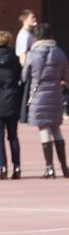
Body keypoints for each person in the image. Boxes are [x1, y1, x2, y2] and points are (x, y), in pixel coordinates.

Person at [21, 22, 69, 179]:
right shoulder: (59, 53)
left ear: (37, 36)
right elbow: (66, 76)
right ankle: (64, 167)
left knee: (44, 129)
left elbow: (24, 76)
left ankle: (49, 167)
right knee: (56, 129)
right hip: (55, 94)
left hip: (38, 95)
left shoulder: (32, 54)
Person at [0, 31, 23, 179]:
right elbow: (21, 78)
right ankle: (17, 166)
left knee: (0, 137)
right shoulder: (15, 58)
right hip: (13, 99)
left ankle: (2, 166)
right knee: (13, 136)